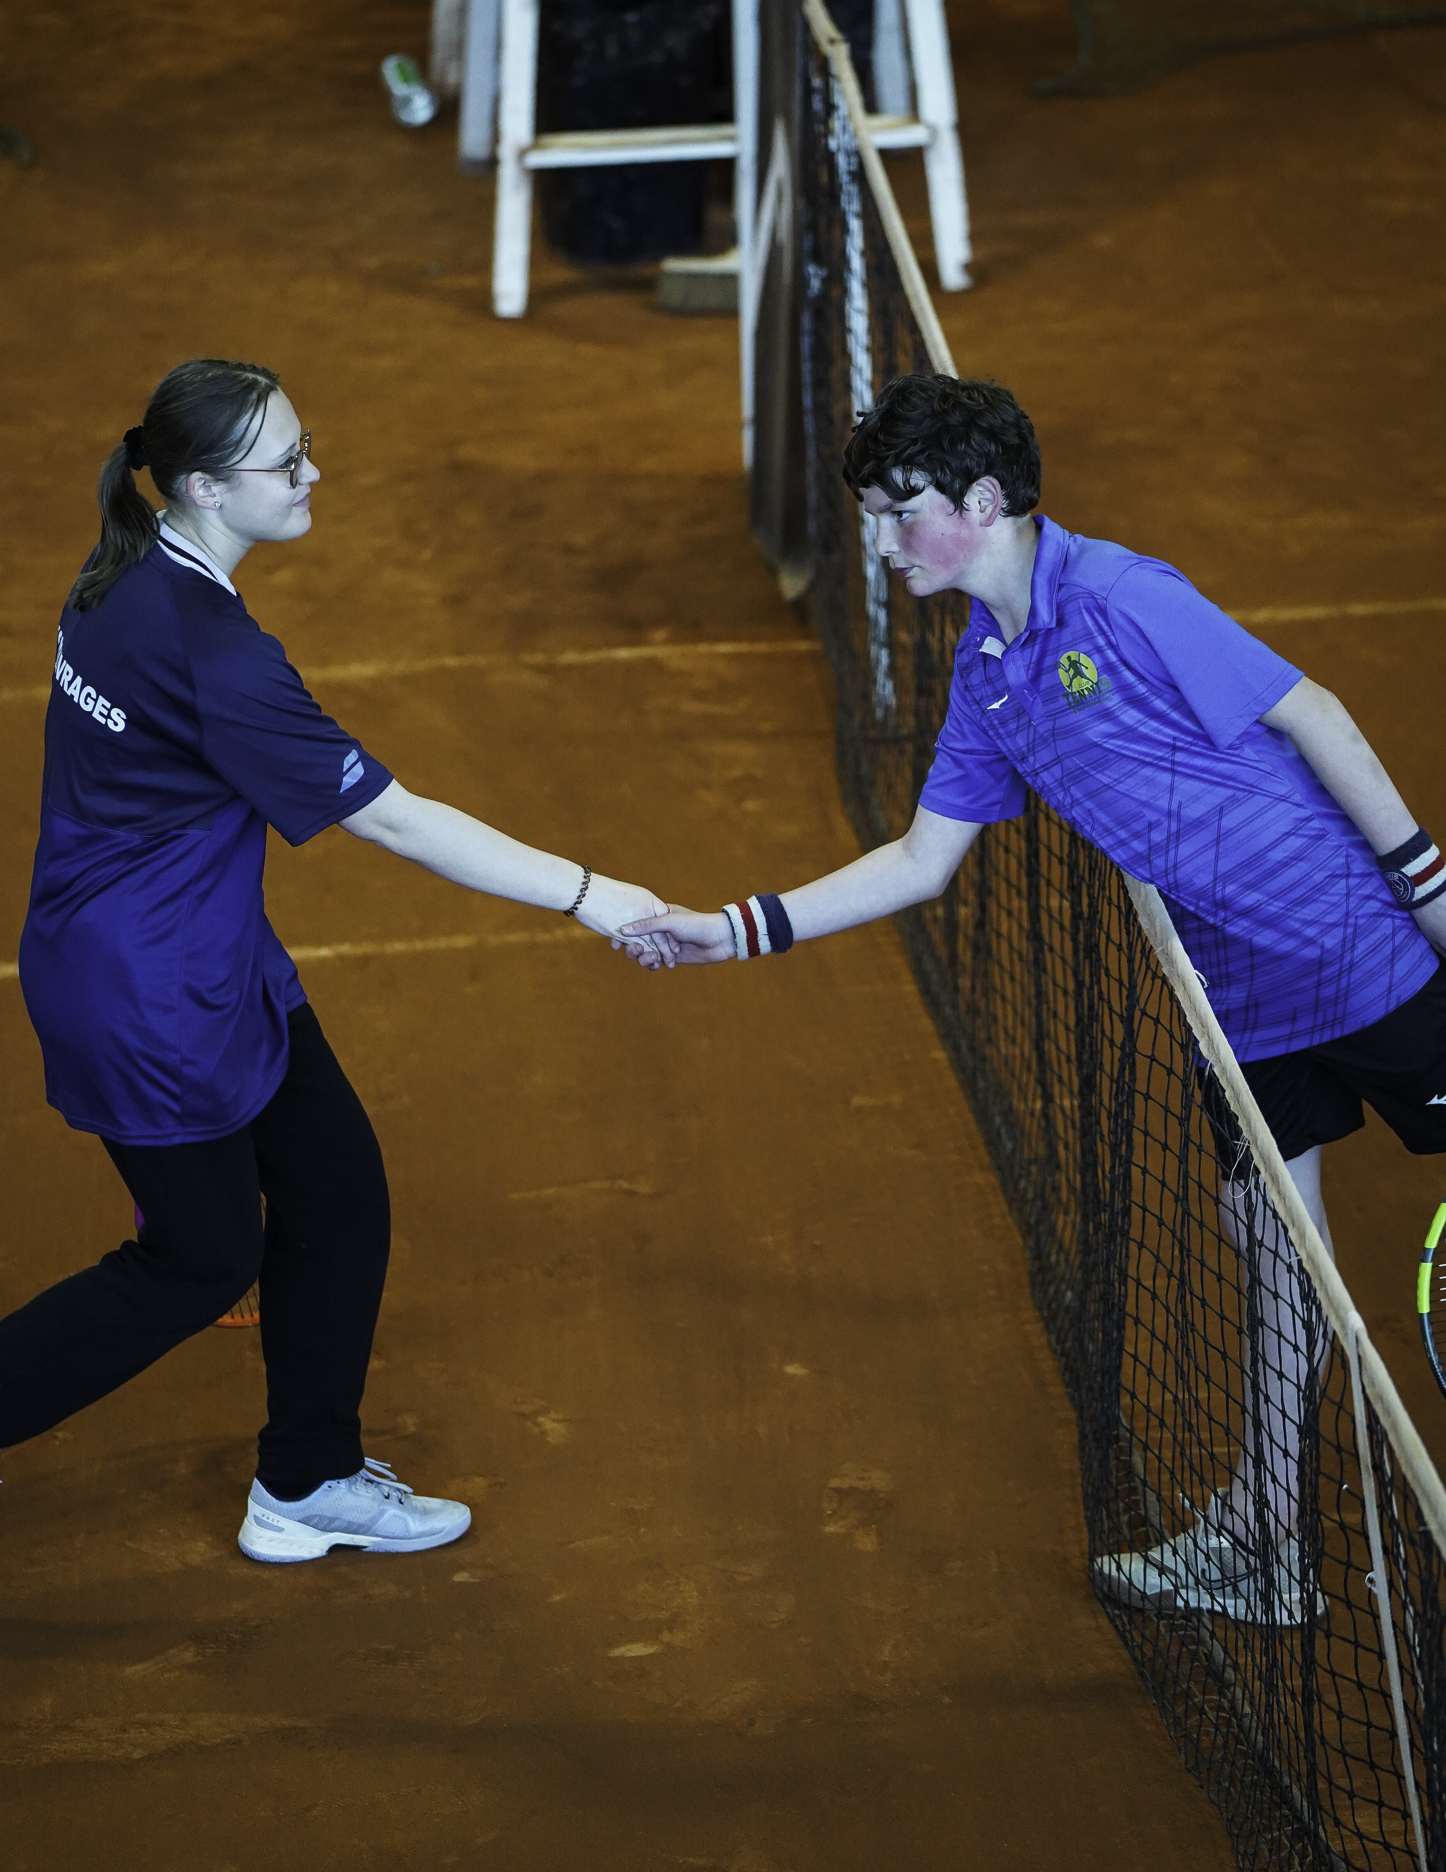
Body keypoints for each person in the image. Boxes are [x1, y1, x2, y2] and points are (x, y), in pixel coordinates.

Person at [0, 357, 669, 1597]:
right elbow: (399, 820)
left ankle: (306, 1480)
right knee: (201, 1257)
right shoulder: (218, 657)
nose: (314, 472)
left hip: (207, 953)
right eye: (288, 462)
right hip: (148, 997)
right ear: (207, 487)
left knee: (338, 1191)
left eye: (305, 443)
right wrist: (593, 892)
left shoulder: (120, 570)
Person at [617, 372, 1446, 1625]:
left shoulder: (1125, 596)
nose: (882, 543)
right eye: (872, 518)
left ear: (983, 500)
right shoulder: (990, 675)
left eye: (900, 513)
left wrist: (1432, 896)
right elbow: (921, 861)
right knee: (1273, 1254)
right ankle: (1267, 1540)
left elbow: (1312, 712)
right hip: (1240, 1007)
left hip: (1354, 952)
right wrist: (731, 931)